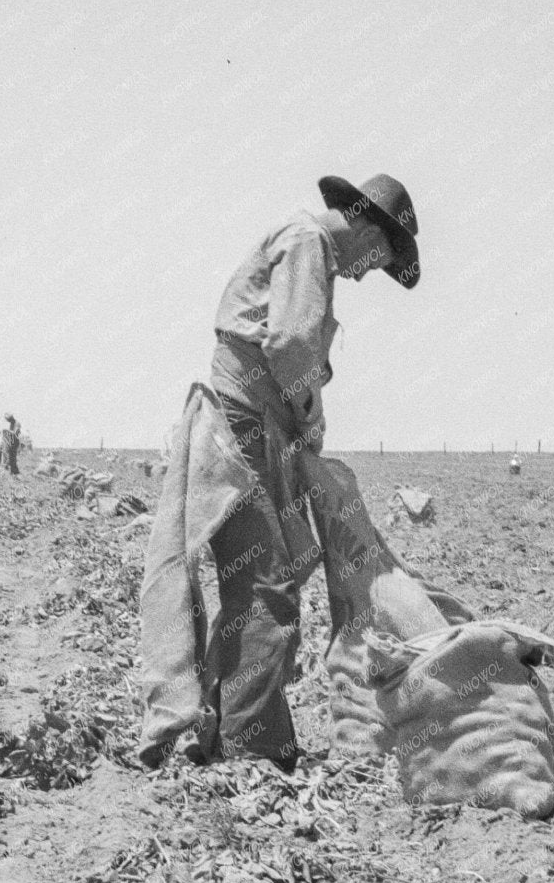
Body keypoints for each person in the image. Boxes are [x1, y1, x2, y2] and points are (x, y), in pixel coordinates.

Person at [136, 173, 421, 769]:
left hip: (248, 426)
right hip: (244, 428)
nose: (368, 272)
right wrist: (310, 412)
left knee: (262, 580)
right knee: (266, 583)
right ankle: (254, 752)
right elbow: (291, 344)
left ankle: (236, 734)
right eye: (378, 259)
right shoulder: (309, 240)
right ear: (367, 226)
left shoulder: (304, 240)